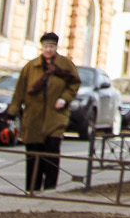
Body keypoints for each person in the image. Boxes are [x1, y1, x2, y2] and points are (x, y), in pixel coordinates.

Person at [15, 32, 80, 192]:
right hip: (34, 118)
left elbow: (74, 84)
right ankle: (32, 189)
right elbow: (20, 90)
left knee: (51, 154)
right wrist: (13, 110)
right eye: (46, 47)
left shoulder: (65, 65)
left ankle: (50, 189)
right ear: (41, 47)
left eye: (51, 47)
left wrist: (64, 98)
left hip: (55, 117)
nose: (49, 50)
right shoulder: (31, 67)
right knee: (33, 155)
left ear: (56, 47)